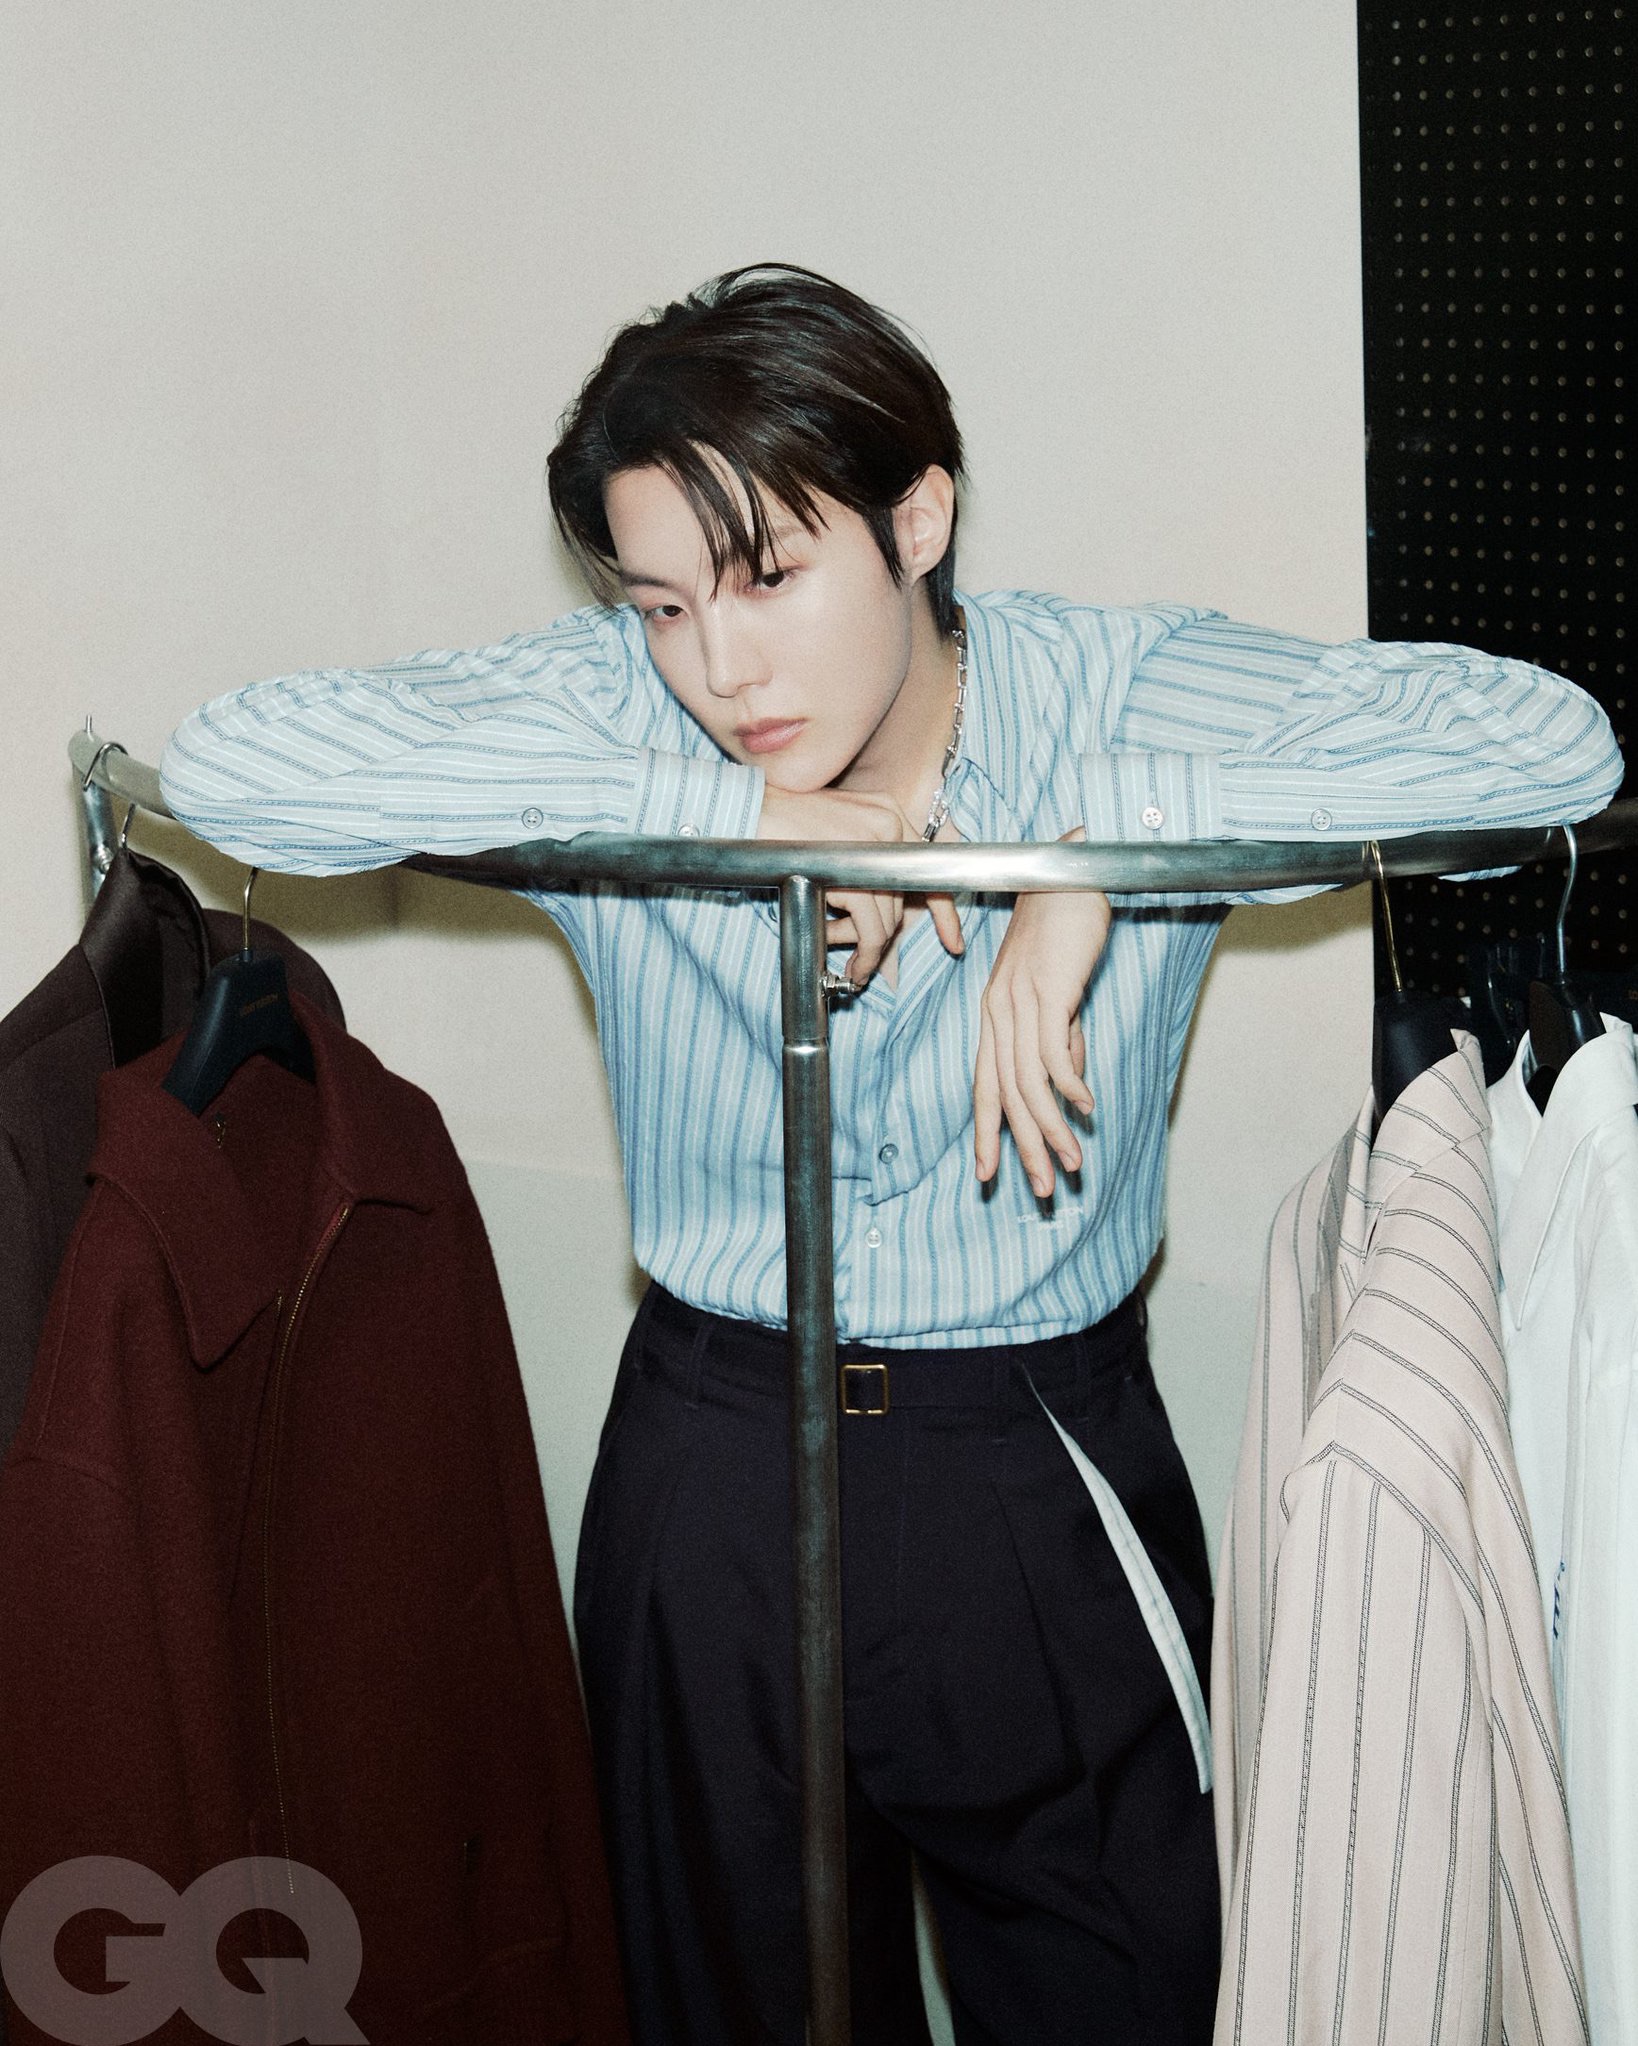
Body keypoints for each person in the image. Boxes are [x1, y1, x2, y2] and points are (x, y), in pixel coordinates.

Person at [159, 262, 1623, 2045]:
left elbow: (1546, 742)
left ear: (915, 518)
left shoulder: (1111, 689)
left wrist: (1084, 857)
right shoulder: (627, 715)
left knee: (1129, 1990)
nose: (721, 666)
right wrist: (732, 814)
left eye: (768, 575)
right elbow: (229, 768)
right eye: (664, 603)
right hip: (707, 1455)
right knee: (723, 2002)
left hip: (1030, 1454)